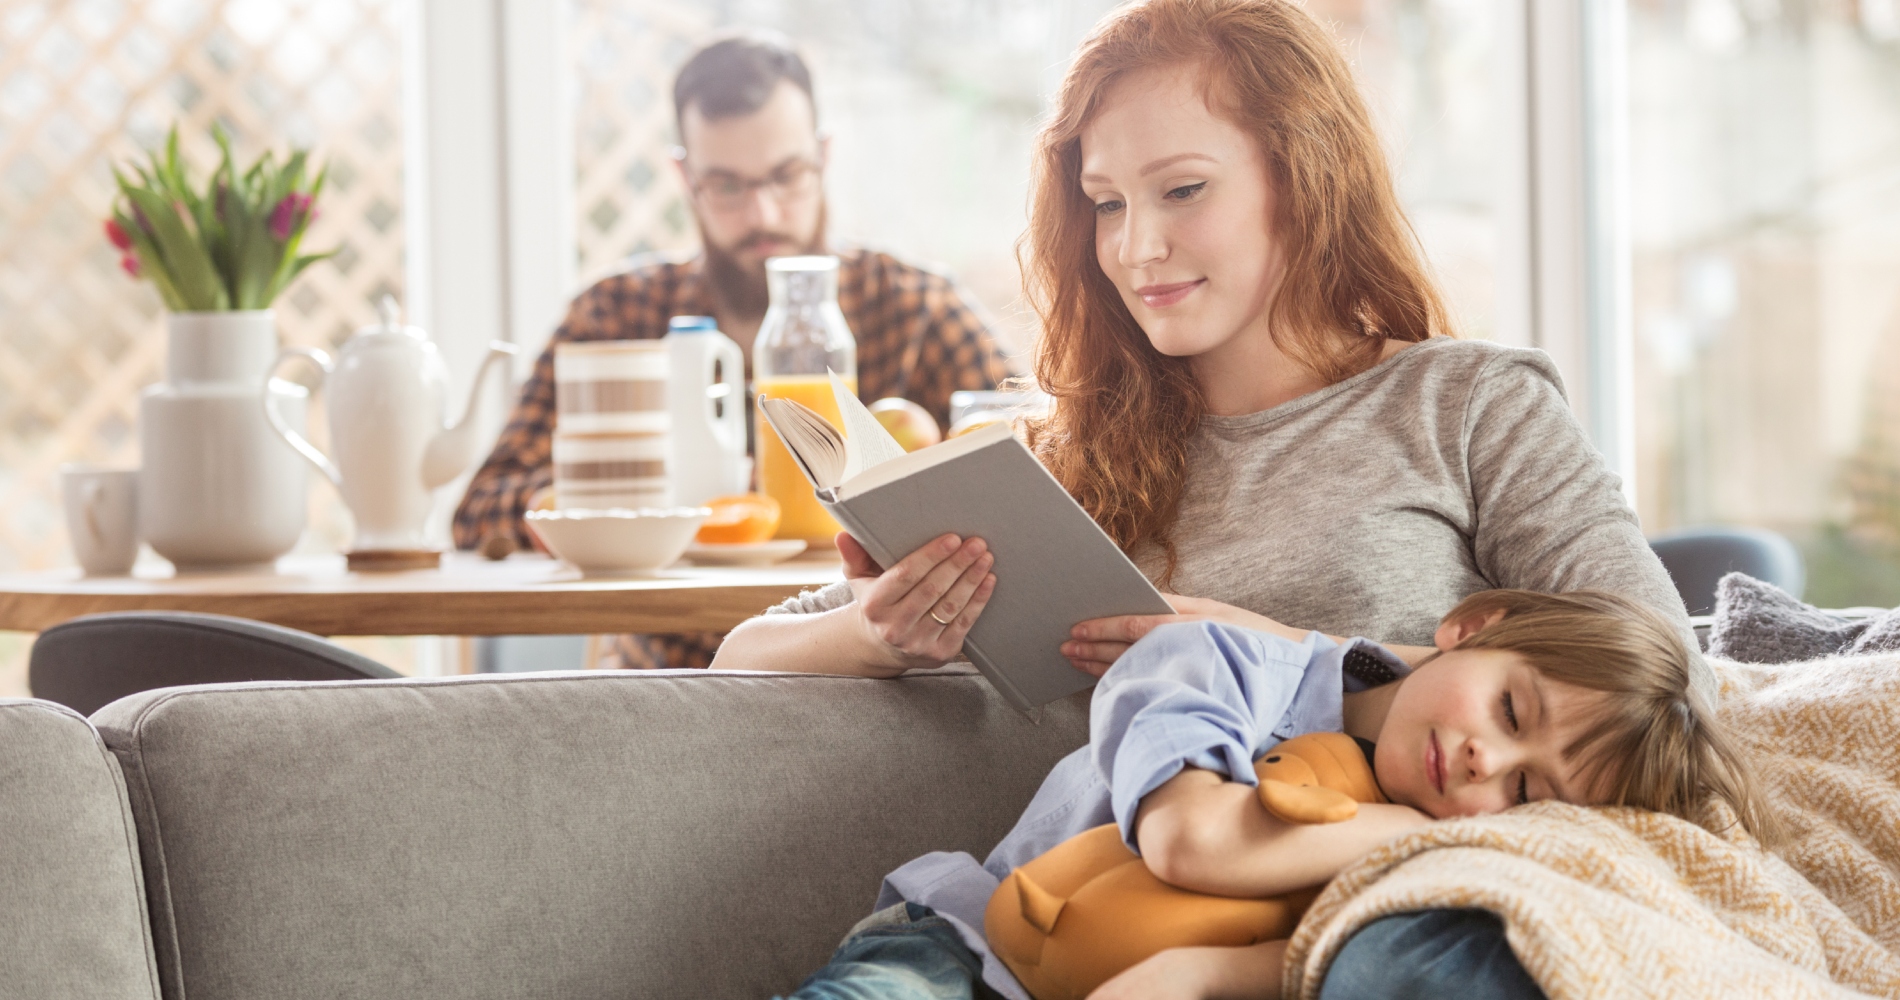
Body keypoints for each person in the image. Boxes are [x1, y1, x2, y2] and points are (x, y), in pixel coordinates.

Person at [714, 0, 1696, 996]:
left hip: (1339, 933)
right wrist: (878, 636)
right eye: (1105, 202)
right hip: (1026, 931)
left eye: (1181, 189)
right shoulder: (1056, 463)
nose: (1137, 247)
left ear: (1303, 177)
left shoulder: (1465, 405)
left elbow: (1669, 671)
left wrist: (1271, 649)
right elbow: (736, 658)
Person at [784, 589, 1775, 1000]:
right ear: (1473, 625)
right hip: (962, 958)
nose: (1483, 762)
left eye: (1526, 787)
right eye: (1509, 708)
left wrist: (1200, 977)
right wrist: (1388, 829)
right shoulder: (1215, 662)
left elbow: (1289, 959)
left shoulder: (1467, 856)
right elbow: (1192, 843)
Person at [453, 32, 1016, 669]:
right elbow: (483, 508)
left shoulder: (913, 308)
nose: (763, 213)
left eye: (787, 176)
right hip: (667, 677)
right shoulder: (619, 315)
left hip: (877, 682)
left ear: (823, 157)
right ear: (684, 178)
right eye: (727, 186)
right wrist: (672, 496)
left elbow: (1034, 459)